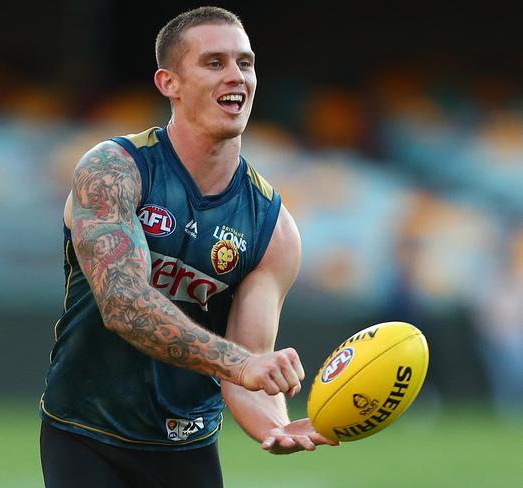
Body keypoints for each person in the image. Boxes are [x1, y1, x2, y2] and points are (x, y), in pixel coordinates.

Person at [39, 6, 338, 487]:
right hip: (86, 432)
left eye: (246, 62)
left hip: (187, 445)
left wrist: (276, 425)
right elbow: (124, 306)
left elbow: (250, 361)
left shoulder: (272, 227)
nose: (236, 76)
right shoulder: (116, 170)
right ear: (168, 83)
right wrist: (243, 365)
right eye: (214, 62)